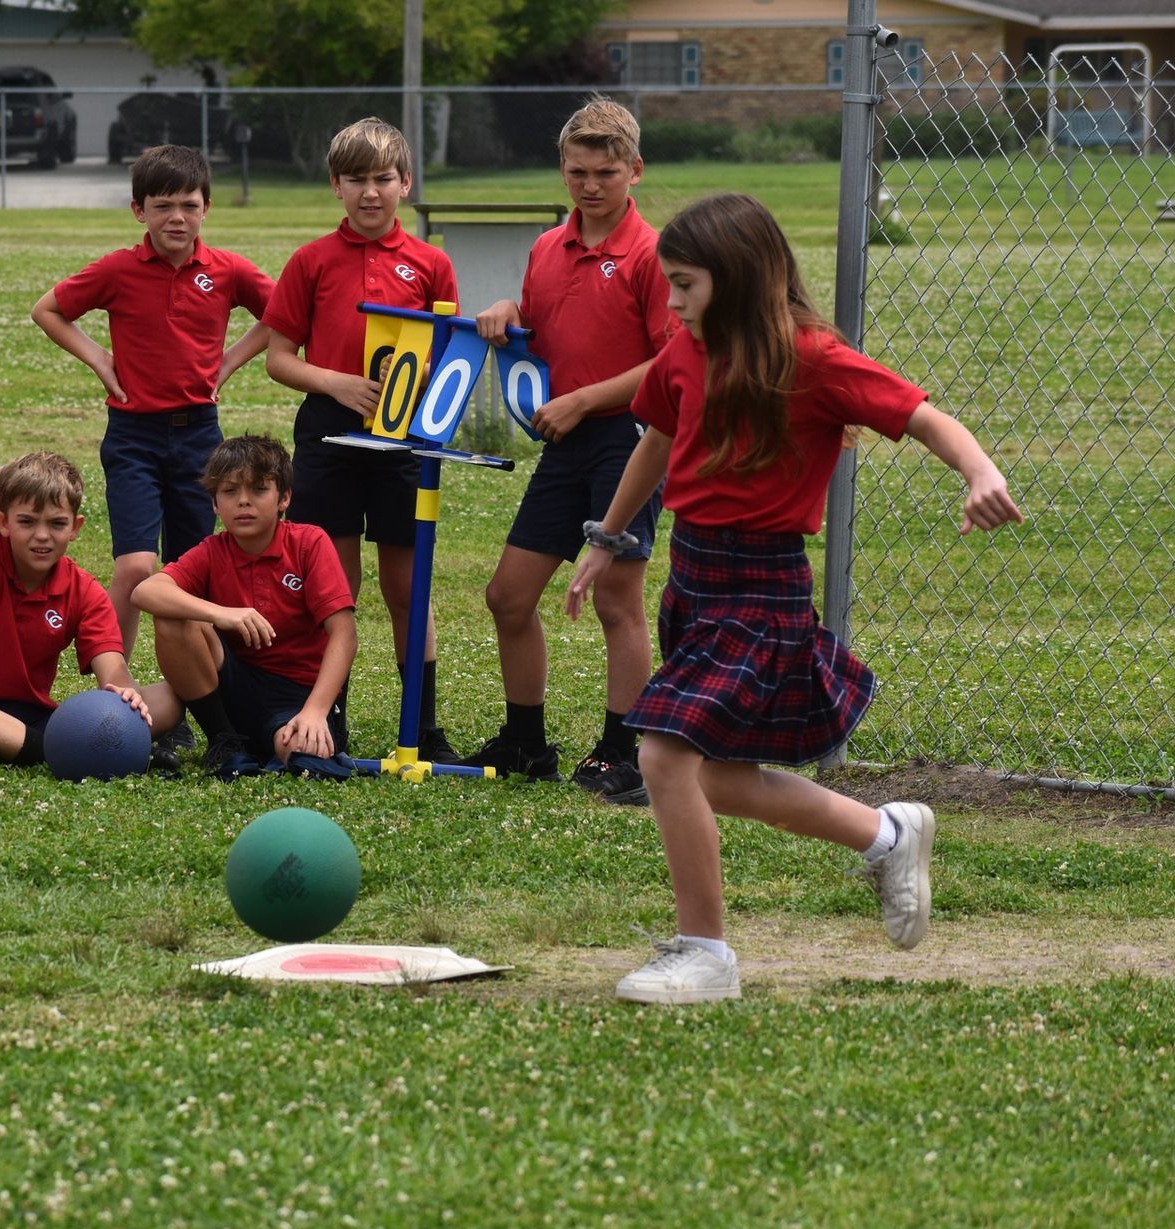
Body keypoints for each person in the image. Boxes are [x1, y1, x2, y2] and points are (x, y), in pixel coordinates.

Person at [563, 193, 1023, 1005]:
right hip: (694, 581)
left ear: (737, 281)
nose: (671, 305)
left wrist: (981, 473)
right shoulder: (683, 352)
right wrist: (607, 538)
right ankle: (886, 834)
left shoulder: (812, 359)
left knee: (665, 756)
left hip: (762, 590)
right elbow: (660, 442)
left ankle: (705, 955)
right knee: (718, 779)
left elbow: (926, 419)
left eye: (685, 286)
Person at [460, 99, 676, 802]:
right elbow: (546, 317)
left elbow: (671, 365)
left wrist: (586, 398)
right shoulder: (549, 246)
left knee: (617, 598)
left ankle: (624, 754)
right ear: (562, 169)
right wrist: (508, 311)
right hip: (565, 443)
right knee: (508, 595)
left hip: (629, 441)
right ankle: (525, 741)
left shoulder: (652, 254)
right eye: (578, 171)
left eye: (606, 172)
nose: (590, 185)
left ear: (634, 171)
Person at [30, 144, 274, 676]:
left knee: (190, 576)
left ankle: (194, 698)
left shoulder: (227, 270)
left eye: (188, 204)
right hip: (133, 436)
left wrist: (228, 362)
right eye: (162, 206)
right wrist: (98, 358)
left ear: (206, 207)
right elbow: (47, 310)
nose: (177, 218)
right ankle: (113, 688)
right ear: (139, 210)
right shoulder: (119, 270)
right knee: (139, 566)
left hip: (200, 439)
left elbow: (284, 314)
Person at [261, 116, 458, 762]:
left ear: (406, 181)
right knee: (334, 589)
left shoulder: (432, 264)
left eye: (382, 179)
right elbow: (279, 357)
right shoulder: (311, 261)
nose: (370, 193)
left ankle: (422, 728)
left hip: (405, 439)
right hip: (329, 433)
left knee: (408, 587)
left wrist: (428, 379)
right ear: (335, 186)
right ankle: (329, 723)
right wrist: (337, 384)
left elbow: (448, 358)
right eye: (355, 180)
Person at [0, 440, 177, 769]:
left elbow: (112, 669)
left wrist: (126, 697)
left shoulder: (84, 589)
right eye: (27, 522)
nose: (42, 535)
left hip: (34, 717)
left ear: (75, 527)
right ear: (3, 522)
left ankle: (10, 748)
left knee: (169, 699)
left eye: (56, 524)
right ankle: (64, 753)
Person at [131, 434, 356, 780]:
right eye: (230, 492)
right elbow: (146, 591)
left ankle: (287, 736)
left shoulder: (309, 544)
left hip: (297, 694)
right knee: (173, 614)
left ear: (284, 498)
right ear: (215, 505)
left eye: (258, 489)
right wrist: (221, 613)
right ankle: (224, 741)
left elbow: (344, 635)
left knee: (301, 754)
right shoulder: (212, 550)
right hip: (232, 687)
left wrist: (315, 710)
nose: (244, 502)